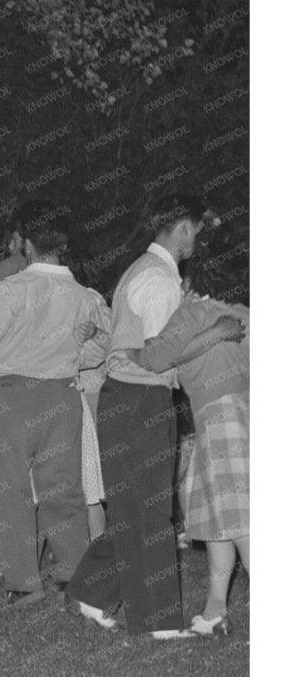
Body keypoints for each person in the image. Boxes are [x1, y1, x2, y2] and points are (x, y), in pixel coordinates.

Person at [0, 200, 108, 607]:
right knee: (64, 488)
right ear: (62, 245)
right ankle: (71, 576)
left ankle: (24, 582)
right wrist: (70, 355)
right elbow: (102, 346)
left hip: (15, 397)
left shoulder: (12, 289)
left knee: (14, 491)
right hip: (63, 396)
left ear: (27, 244)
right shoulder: (85, 295)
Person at [64, 198, 217, 637]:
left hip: (125, 399)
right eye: (196, 233)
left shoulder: (143, 271)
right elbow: (159, 353)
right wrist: (215, 332)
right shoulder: (158, 280)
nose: (197, 242)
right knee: (150, 511)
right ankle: (156, 621)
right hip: (142, 400)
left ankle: (90, 593)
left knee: (133, 507)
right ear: (182, 230)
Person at [133, 267, 249, 636]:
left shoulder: (190, 312)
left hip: (219, 417)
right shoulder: (245, 312)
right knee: (217, 518)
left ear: (186, 284)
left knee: (243, 521)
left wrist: (123, 348)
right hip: (242, 414)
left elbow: (154, 359)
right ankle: (215, 611)